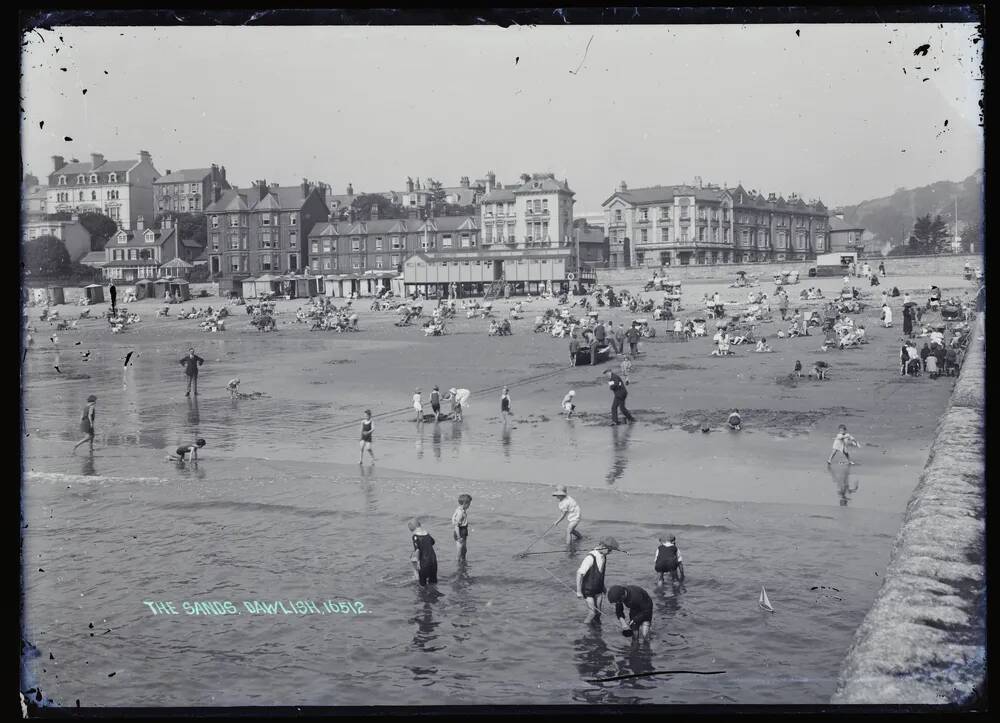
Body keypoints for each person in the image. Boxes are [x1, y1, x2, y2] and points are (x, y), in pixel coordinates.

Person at [576, 537, 621, 624]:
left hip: (598, 589)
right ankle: (584, 630)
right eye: (609, 550)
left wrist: (603, 586)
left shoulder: (603, 556)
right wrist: (578, 591)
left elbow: (600, 573)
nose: (610, 553)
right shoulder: (590, 557)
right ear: (602, 546)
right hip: (588, 590)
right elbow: (579, 573)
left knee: (598, 613)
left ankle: (596, 631)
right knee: (592, 613)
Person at [408, 519, 438, 587]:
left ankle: (424, 596)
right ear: (420, 525)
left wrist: (418, 562)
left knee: (422, 585)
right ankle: (434, 595)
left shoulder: (415, 536)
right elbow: (433, 542)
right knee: (433, 582)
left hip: (424, 561)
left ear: (412, 529)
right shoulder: (427, 533)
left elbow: (417, 550)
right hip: (433, 560)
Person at [452, 494, 472, 561]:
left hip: (463, 530)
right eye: (469, 503)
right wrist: (458, 536)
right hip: (460, 531)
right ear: (465, 503)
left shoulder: (460, 509)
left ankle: (463, 560)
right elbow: (456, 526)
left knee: (464, 549)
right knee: (459, 550)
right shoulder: (460, 512)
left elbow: (453, 518)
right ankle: (458, 562)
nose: (470, 505)